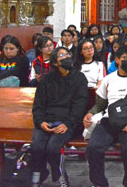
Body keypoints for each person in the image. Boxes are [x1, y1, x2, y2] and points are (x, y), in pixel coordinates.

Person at [84, 45, 127, 187]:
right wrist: (90, 113)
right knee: (93, 147)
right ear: (117, 60)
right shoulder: (108, 79)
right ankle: (99, 183)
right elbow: (101, 104)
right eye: (125, 58)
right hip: (109, 121)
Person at [30, 46, 88, 187]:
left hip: (68, 121)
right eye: (62, 55)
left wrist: (67, 123)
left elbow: (80, 105)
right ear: (55, 63)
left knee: (53, 147)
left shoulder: (79, 78)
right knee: (36, 146)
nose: (67, 56)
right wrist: (40, 122)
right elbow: (38, 105)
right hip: (47, 120)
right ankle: (39, 173)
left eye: (68, 54)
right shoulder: (46, 80)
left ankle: (60, 175)